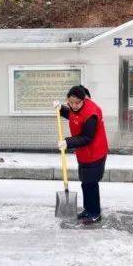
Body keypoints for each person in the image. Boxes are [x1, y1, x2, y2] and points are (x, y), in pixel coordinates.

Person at [54, 85, 108, 225]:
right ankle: (87, 209)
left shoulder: (91, 114)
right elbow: (72, 114)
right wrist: (61, 109)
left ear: (83, 100)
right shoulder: (74, 108)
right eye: (70, 103)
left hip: (95, 153)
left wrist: (67, 142)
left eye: (77, 103)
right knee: (85, 182)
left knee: (91, 183)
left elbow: (87, 137)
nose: (73, 105)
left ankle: (95, 213)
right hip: (84, 153)